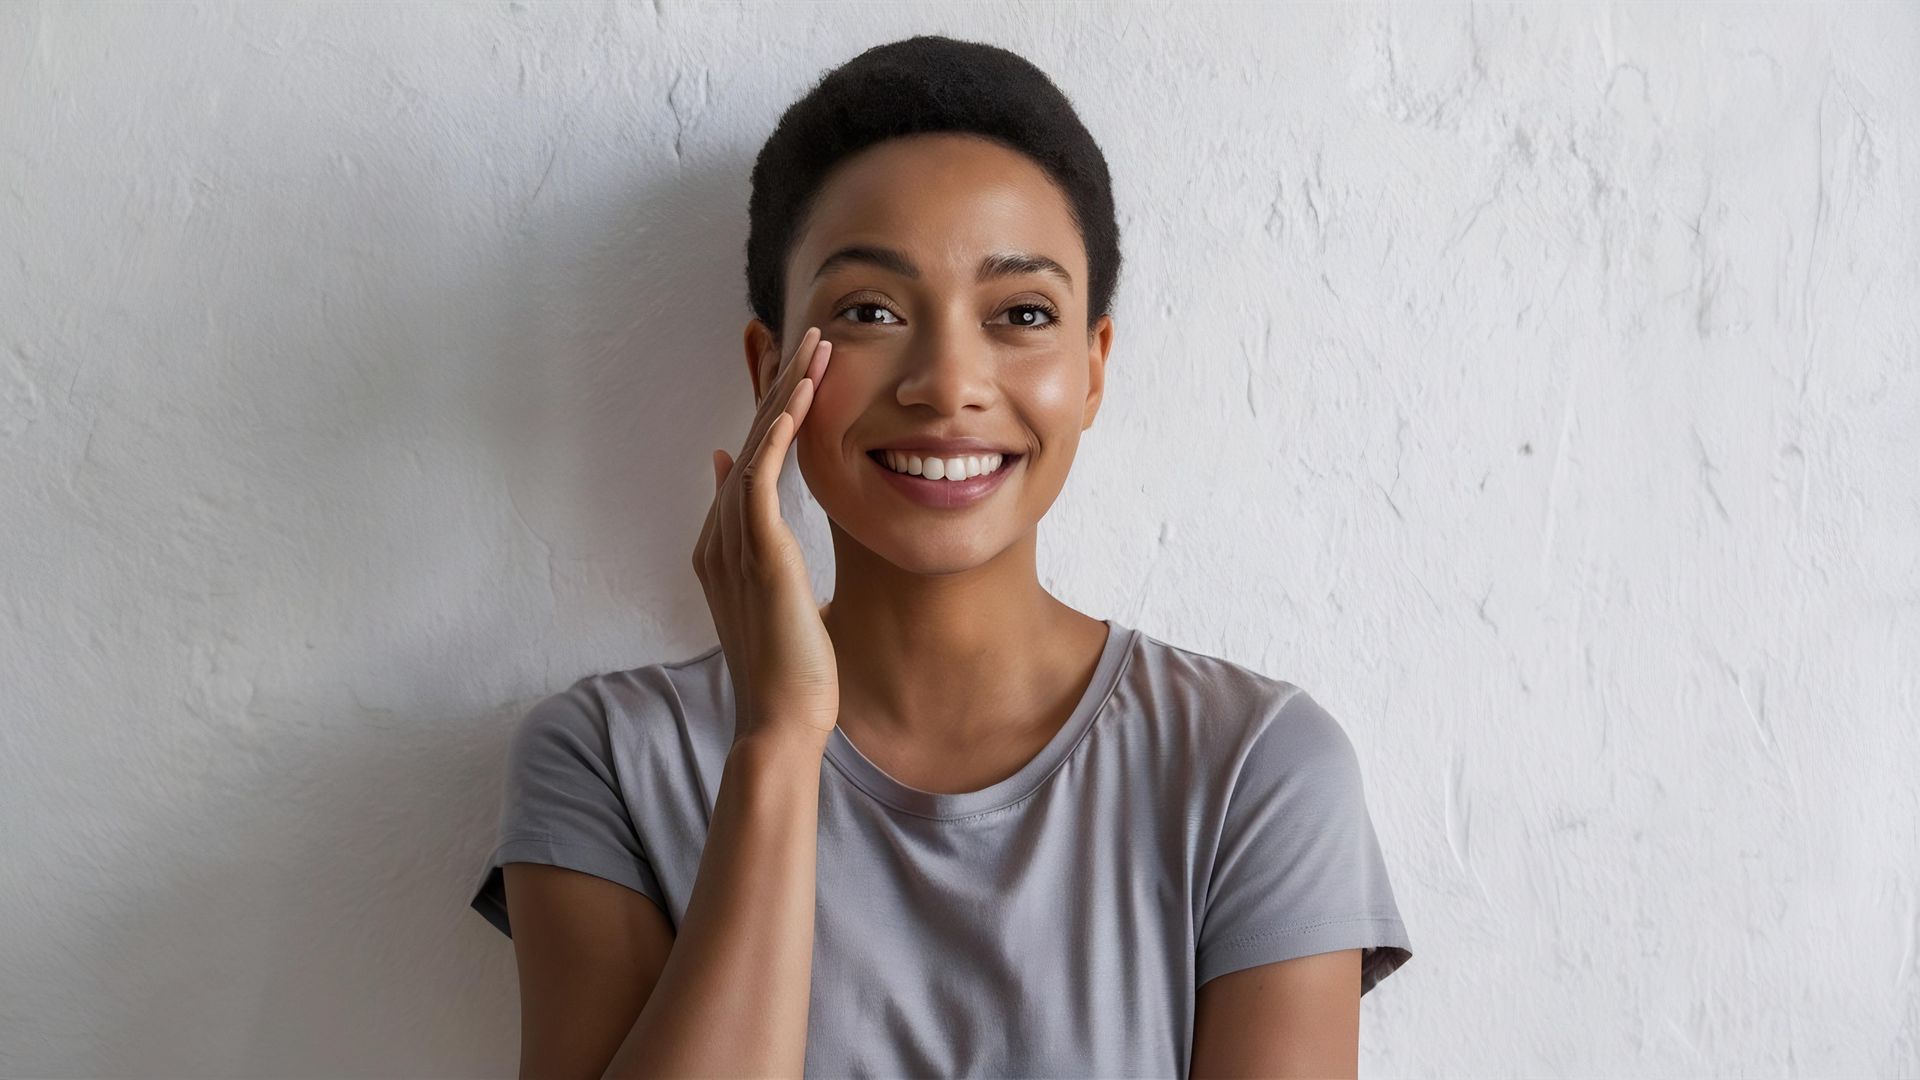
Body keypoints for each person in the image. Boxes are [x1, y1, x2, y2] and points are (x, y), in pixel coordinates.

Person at [468, 33, 1412, 1078]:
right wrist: (778, 747)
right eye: (870, 311)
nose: (948, 380)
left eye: (1021, 314)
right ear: (770, 367)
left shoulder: (1254, 769)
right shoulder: (605, 759)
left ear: (1092, 370)